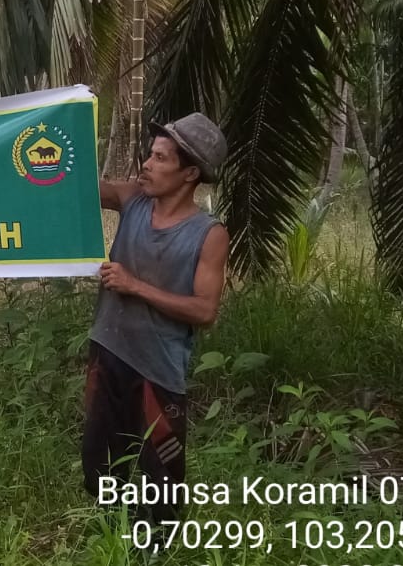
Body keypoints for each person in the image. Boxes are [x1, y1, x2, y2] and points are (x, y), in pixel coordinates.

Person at [84, 113, 230, 524]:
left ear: (189, 174)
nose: (147, 164)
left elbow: (205, 310)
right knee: (99, 463)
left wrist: (135, 286)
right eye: (151, 154)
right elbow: (86, 191)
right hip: (108, 352)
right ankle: (108, 542)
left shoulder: (208, 234)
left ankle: (152, 551)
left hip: (158, 373)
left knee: (159, 482)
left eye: (161, 158)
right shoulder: (134, 199)